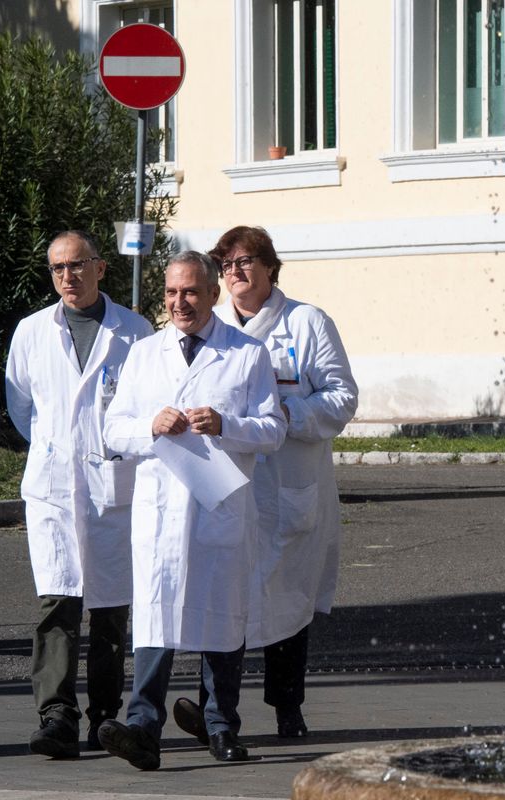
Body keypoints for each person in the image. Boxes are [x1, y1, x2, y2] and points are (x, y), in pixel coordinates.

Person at [98, 251, 286, 770]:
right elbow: (114, 429)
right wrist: (149, 426)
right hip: (160, 512)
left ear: (212, 294)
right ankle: (143, 728)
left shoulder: (246, 354)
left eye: (191, 293)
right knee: (156, 619)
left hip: (219, 508)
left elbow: (274, 431)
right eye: (172, 293)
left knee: (222, 619)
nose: (180, 303)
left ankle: (222, 725)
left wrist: (227, 424)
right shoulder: (144, 354)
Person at [173, 226, 357, 741]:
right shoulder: (210, 326)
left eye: (245, 261)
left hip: (287, 484)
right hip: (227, 483)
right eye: (226, 263)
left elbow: (342, 397)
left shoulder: (306, 322)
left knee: (287, 601)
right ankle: (213, 710)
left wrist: (285, 413)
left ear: (270, 267)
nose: (235, 272)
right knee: (222, 593)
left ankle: (287, 708)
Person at [5, 231, 153, 758]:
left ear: (100, 267)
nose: (68, 276)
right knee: (57, 602)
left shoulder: (134, 333)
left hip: (113, 487)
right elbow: (23, 407)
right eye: (57, 268)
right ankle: (57, 717)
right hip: (54, 488)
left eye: (78, 265)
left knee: (111, 608)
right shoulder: (31, 332)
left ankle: (106, 716)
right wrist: (56, 450)